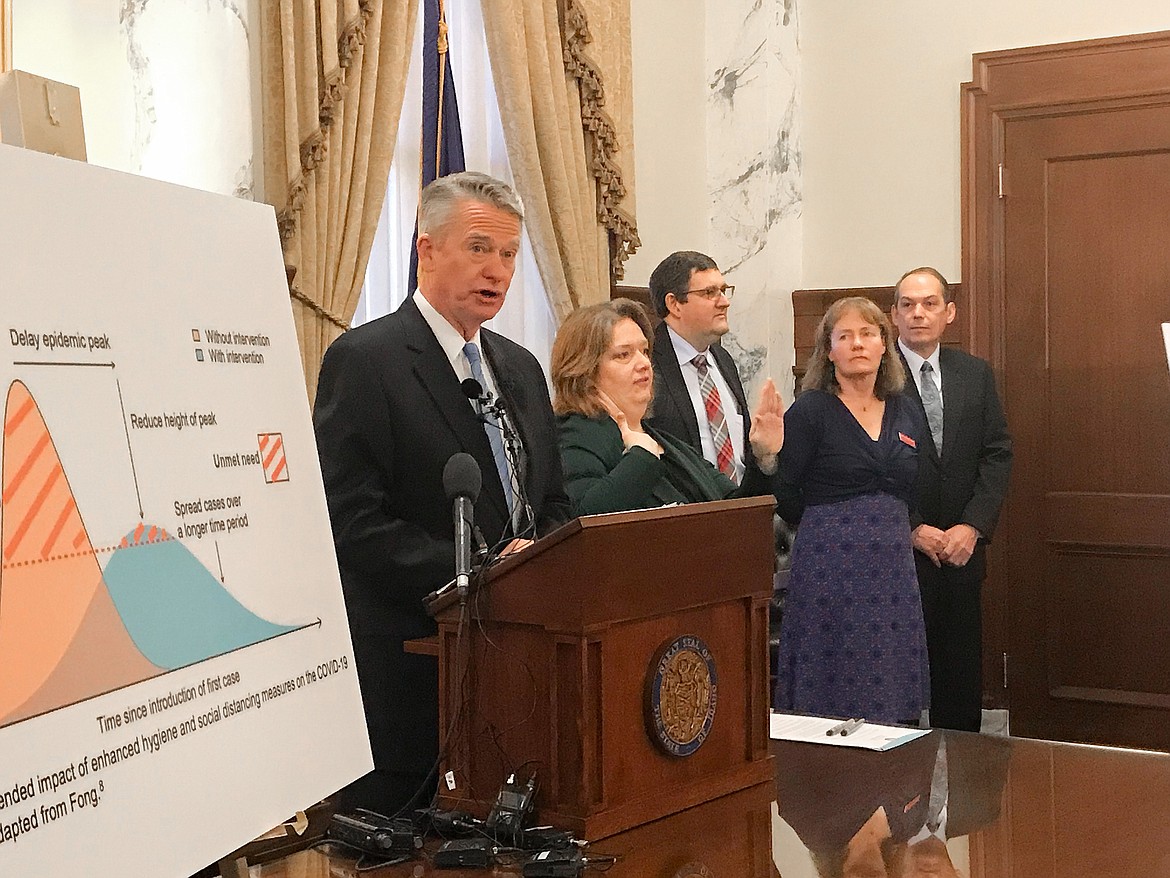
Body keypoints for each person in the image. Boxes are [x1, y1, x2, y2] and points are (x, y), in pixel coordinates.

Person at [313, 171, 571, 815]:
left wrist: (540, 566)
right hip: (411, 672)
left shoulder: (521, 367)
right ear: (426, 249)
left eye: (509, 254)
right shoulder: (365, 360)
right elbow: (353, 526)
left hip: (518, 671)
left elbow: (552, 504)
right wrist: (480, 572)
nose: (498, 270)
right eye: (479, 248)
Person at [772, 296, 929, 726]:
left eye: (867, 334)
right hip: (829, 563)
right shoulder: (809, 411)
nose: (857, 344)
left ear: (885, 344)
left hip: (893, 566)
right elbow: (786, 494)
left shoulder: (904, 409)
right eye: (845, 336)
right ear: (828, 350)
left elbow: (917, 484)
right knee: (831, 674)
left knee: (890, 680)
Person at [890, 267, 1012, 733]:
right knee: (897, 686)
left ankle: (966, 793)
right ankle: (896, 795)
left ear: (949, 312)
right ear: (894, 314)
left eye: (929, 304)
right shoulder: (874, 378)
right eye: (907, 304)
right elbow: (866, 466)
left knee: (959, 681)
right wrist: (911, 527)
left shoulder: (974, 374)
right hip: (900, 549)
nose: (918, 313)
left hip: (963, 550)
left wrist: (973, 526)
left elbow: (997, 453)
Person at [551, 299, 785, 515]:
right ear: (584, 372)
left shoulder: (669, 443)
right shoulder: (576, 433)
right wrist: (642, 455)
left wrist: (763, 456)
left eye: (644, 351)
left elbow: (735, 514)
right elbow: (585, 517)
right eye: (623, 355)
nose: (644, 363)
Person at [644, 251, 751, 481]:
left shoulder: (722, 359)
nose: (724, 302)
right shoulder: (647, 365)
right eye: (710, 293)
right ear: (674, 304)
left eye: (723, 290)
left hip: (738, 506)